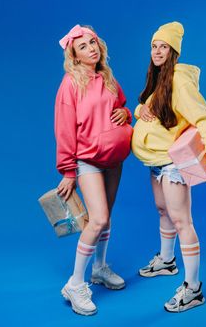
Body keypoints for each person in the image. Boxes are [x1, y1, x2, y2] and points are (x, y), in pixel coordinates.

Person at [131, 21, 206, 313]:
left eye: (163, 47)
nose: (157, 51)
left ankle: (193, 288)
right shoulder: (159, 79)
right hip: (155, 161)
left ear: (174, 51)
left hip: (171, 164)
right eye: (154, 46)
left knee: (182, 221)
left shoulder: (179, 81)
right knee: (163, 210)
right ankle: (167, 262)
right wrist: (138, 109)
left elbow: (203, 117)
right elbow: (148, 107)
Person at [54, 24, 133, 316]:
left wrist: (125, 113)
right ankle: (75, 283)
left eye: (94, 43)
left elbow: (123, 106)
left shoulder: (108, 78)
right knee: (96, 219)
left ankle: (99, 267)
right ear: (73, 55)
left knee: (106, 216)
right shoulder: (71, 84)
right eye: (84, 46)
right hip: (88, 159)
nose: (92, 48)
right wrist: (68, 171)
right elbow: (64, 129)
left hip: (114, 158)